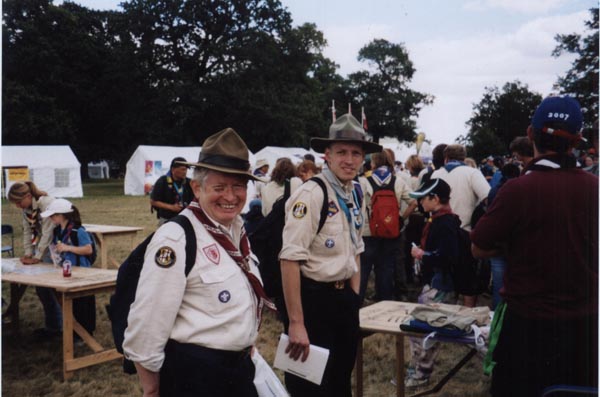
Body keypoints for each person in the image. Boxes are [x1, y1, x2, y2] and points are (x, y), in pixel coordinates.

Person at [123, 128, 274, 397]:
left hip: (239, 371)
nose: (230, 196)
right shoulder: (177, 238)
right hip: (196, 378)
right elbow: (147, 322)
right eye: (219, 187)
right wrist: (152, 388)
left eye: (238, 186)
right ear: (196, 187)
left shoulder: (236, 230)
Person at [471, 96, 598, 396]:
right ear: (578, 140)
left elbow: (478, 246)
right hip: (585, 326)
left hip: (527, 328)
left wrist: (519, 245)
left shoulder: (518, 190)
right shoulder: (595, 188)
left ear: (530, 133)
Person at [279, 113, 382, 396]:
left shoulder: (356, 192)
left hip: (343, 302)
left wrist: (352, 295)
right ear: (327, 155)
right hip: (312, 304)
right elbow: (289, 259)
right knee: (309, 388)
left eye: (356, 153)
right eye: (342, 152)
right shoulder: (312, 194)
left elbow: (357, 247)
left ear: (363, 158)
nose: (349, 160)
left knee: (339, 384)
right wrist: (296, 323)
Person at [407, 178, 460, 387]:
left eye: (423, 199)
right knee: (422, 330)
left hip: (440, 285)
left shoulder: (444, 223)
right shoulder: (440, 219)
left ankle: (420, 374)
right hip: (435, 282)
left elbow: (447, 256)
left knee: (423, 331)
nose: (419, 203)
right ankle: (418, 371)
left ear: (435, 198)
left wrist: (422, 254)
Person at [431, 144, 490, 307]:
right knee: (468, 282)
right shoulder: (472, 173)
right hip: (465, 234)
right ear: (464, 158)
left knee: (444, 280)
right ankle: (466, 318)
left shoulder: (436, 173)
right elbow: (489, 198)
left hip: (441, 232)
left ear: (446, 158)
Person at [359, 150, 415, 303]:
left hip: (368, 232)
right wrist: (401, 219)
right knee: (385, 271)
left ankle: (357, 304)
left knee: (363, 270)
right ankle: (384, 303)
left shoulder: (364, 181)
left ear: (373, 163)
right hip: (391, 232)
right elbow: (414, 202)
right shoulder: (398, 181)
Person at [7, 181, 62, 337]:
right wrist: (28, 253)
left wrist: (37, 257)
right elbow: (27, 232)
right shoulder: (26, 209)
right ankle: (53, 326)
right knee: (42, 288)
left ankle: (65, 327)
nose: (18, 206)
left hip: (59, 244)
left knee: (55, 288)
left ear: (28, 196)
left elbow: (47, 233)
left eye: (19, 202)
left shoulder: (46, 203)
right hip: (46, 245)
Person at [41, 199, 96, 337]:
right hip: (67, 270)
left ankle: (86, 332)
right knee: (71, 304)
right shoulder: (57, 230)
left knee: (83, 304)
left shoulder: (78, 230)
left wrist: (68, 248)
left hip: (82, 271)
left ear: (62, 215)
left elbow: (88, 249)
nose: (51, 218)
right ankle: (74, 330)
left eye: (53, 215)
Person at [150, 157, 193, 226]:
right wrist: (172, 207)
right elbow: (153, 201)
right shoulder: (162, 181)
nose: (185, 172)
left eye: (186, 170)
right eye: (182, 170)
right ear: (173, 170)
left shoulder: (190, 183)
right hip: (166, 219)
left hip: (185, 218)